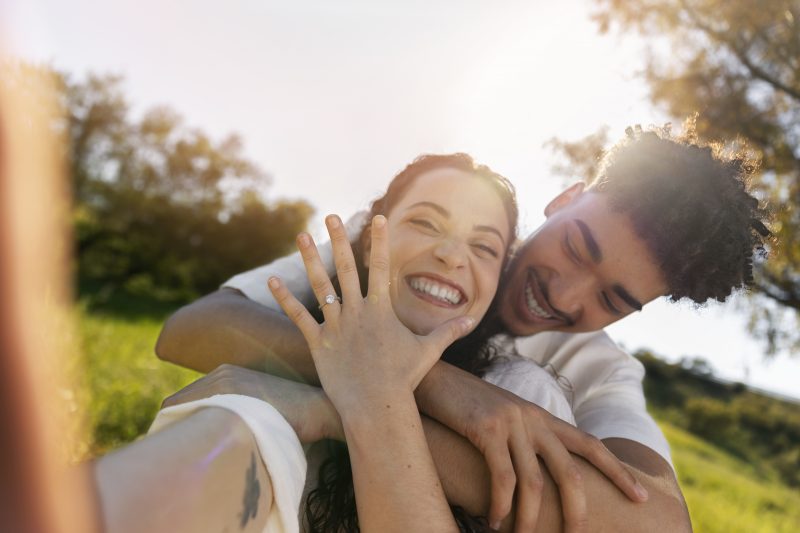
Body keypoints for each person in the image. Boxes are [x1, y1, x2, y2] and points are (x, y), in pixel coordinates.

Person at [157, 124, 770, 532]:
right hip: (284, 489)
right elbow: (195, 327)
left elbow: (658, 524)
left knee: (530, 395)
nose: (565, 293)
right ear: (565, 200)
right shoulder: (434, 242)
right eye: (578, 248)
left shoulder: (597, 371)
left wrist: (346, 406)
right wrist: (437, 385)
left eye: (612, 298)